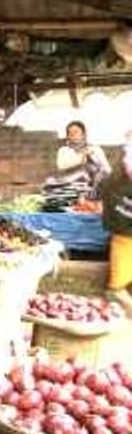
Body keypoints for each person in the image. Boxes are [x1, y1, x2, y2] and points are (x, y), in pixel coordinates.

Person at [100, 131, 132, 314]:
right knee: (117, 285)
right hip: (124, 226)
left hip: (122, 223)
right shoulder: (126, 160)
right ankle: (118, 291)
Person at [54, 120, 111, 194]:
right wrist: (82, 157)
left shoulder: (95, 149)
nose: (73, 135)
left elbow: (107, 170)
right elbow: (61, 165)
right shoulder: (64, 151)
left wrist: (93, 159)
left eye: (76, 132)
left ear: (83, 134)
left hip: (94, 188)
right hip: (71, 188)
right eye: (69, 133)